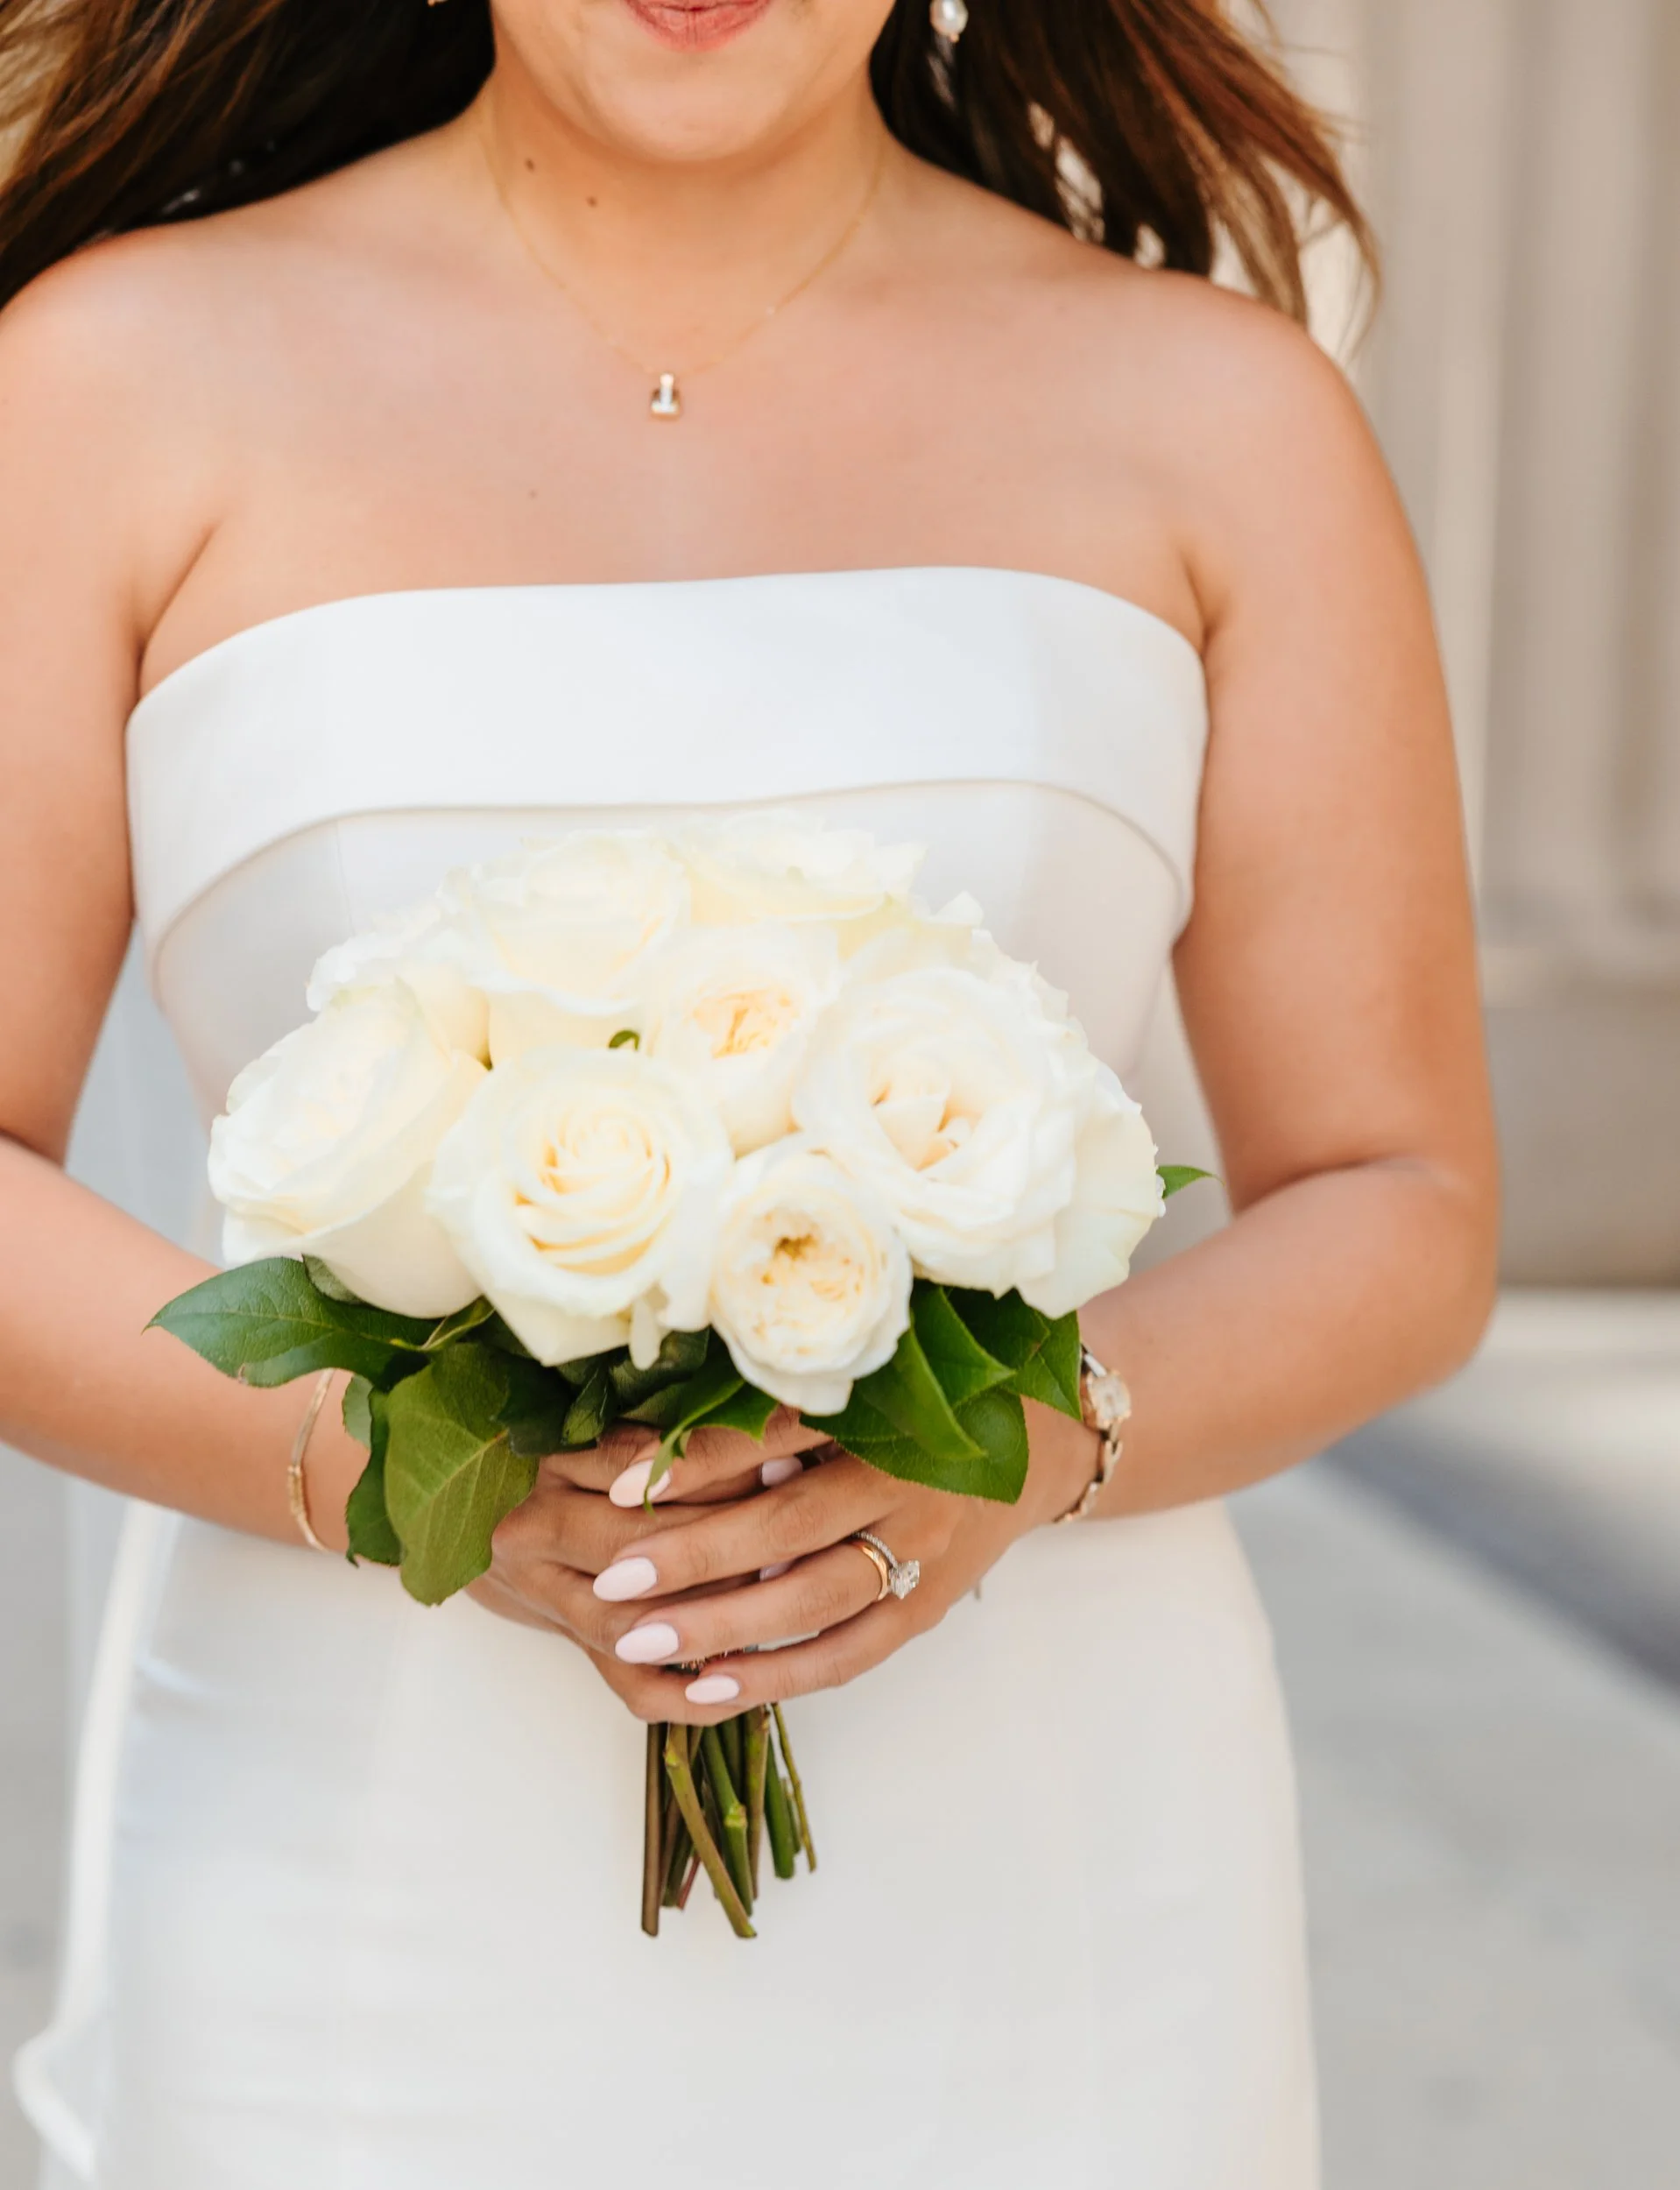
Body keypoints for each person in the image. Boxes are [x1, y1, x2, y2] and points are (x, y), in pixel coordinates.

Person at [0, 2, 1498, 2183]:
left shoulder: (1219, 415)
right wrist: (411, 1471)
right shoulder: (102, 383)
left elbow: (1401, 1192)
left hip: (1049, 1878)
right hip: (348, 1872)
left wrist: (1028, 1445)